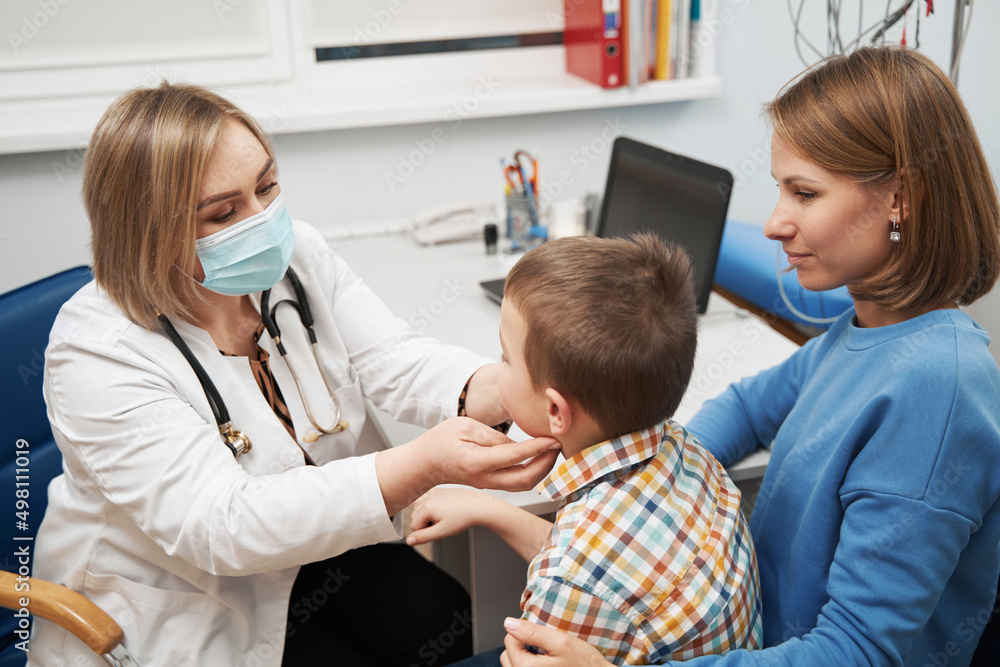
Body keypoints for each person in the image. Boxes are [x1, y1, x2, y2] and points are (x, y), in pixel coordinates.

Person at [495, 46, 1000, 667]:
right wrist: (648, 491)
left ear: (901, 199)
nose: (774, 223)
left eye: (805, 193)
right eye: (780, 190)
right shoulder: (865, 329)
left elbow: (857, 653)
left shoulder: (937, 390)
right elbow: (747, 407)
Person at [30, 82, 561, 666]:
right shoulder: (97, 352)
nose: (263, 222)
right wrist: (424, 463)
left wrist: (516, 387)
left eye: (266, 186)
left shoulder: (294, 259)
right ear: (147, 232)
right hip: (190, 595)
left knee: (444, 620)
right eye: (224, 213)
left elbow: (395, 359)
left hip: (313, 547)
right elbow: (222, 526)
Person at [409, 233, 762, 665]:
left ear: (555, 411)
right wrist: (489, 510)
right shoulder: (683, 449)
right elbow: (603, 565)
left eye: (504, 359)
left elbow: (573, 587)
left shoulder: (568, 577)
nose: (498, 368)